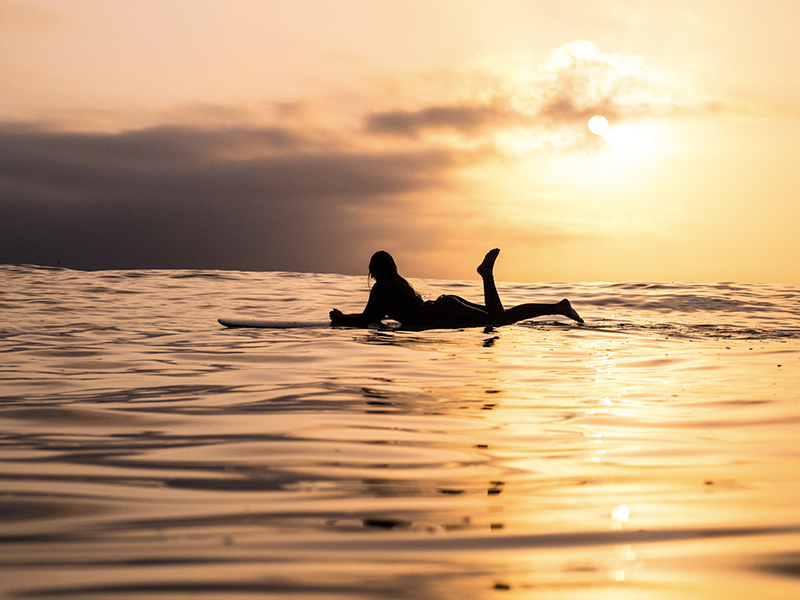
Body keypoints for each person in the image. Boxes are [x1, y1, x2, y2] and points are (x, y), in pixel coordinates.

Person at [329, 248, 583, 329]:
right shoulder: (398, 285)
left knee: (498, 320)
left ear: (373, 271)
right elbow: (375, 318)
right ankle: (556, 307)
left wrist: (342, 319)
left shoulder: (381, 290)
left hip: (439, 314)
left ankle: (486, 276)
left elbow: (368, 319)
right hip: (444, 304)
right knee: (502, 316)